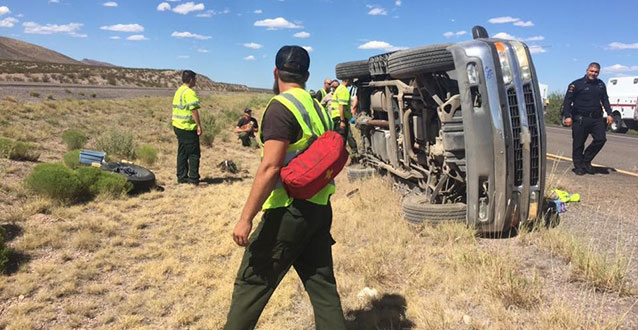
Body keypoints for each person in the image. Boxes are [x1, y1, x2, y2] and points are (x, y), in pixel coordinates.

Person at [224, 45, 345, 330]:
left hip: (287, 212)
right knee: (323, 288)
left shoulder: (281, 107)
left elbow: (270, 168)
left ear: (276, 72)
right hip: (318, 209)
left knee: (252, 282)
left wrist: (245, 218)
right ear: (307, 74)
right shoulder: (316, 105)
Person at [562, 62, 614, 176]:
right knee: (578, 144)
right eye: (591, 71)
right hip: (580, 118)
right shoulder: (576, 84)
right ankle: (579, 166)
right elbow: (567, 101)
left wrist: (609, 113)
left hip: (596, 118)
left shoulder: (600, 85)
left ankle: (586, 161)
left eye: (596, 72)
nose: (593, 73)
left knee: (601, 139)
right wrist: (567, 116)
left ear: (598, 73)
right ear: (587, 70)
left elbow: (605, 99)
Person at [172, 70, 202, 184]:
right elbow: (193, 110)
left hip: (178, 126)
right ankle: (194, 178)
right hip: (187, 128)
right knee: (194, 154)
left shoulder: (179, 91)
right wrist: (198, 125)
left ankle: (181, 177)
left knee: (182, 152)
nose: (196, 81)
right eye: (195, 79)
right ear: (190, 79)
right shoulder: (189, 92)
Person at [330, 78, 358, 153]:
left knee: (338, 141)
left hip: (337, 118)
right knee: (341, 141)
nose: (352, 83)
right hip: (341, 118)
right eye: (351, 80)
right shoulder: (344, 90)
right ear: (347, 80)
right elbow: (341, 106)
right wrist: (342, 121)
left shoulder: (339, 89)